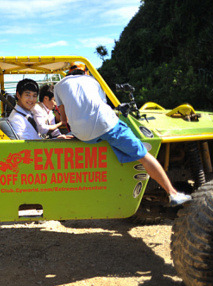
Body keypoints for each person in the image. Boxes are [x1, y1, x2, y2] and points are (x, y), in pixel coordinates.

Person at [55, 63, 192, 206]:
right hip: (105, 125)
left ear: (69, 73)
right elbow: (103, 105)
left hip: (83, 136)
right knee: (144, 156)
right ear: (86, 72)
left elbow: (64, 120)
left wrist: (78, 130)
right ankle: (173, 193)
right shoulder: (93, 81)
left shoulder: (59, 86)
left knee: (104, 135)